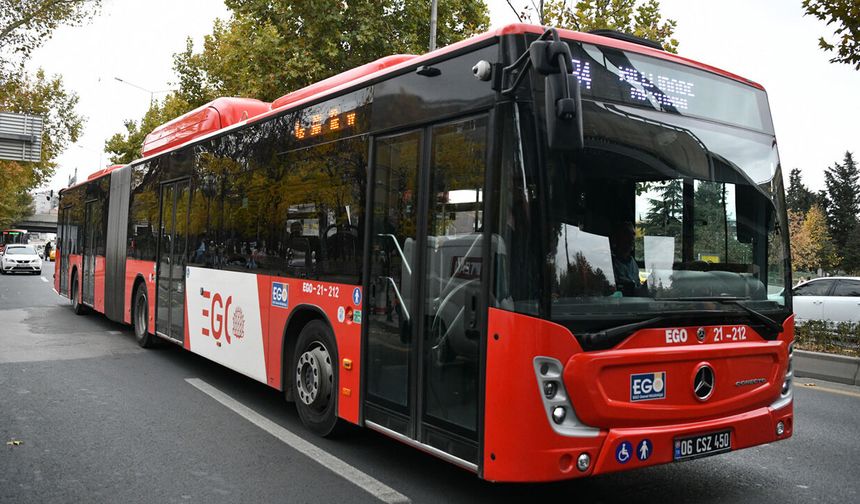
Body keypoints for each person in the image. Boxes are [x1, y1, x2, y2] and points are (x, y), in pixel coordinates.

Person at [609, 221, 643, 296]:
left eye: (633, 234)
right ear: (618, 238)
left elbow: (637, 286)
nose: (632, 238)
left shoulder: (633, 263)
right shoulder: (610, 263)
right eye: (627, 234)